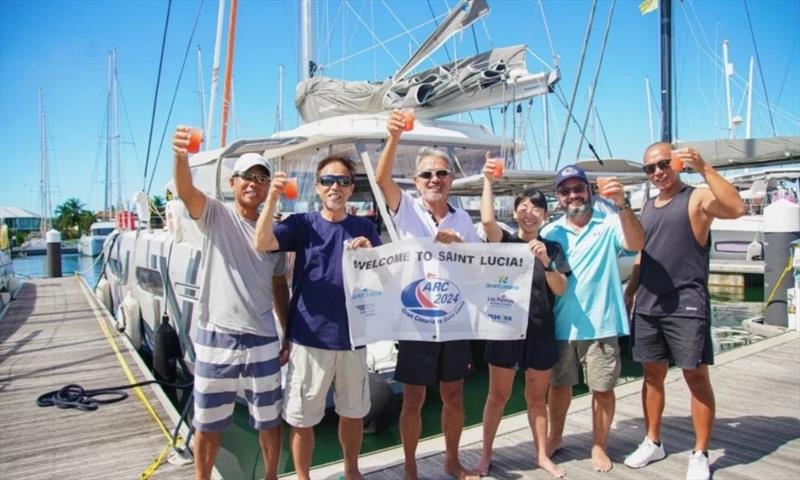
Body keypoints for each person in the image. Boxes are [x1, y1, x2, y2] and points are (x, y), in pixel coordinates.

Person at [171, 126, 289, 480]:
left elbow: (279, 284)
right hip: (216, 335)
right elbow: (185, 190)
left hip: (263, 336)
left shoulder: (275, 231)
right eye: (247, 177)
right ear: (233, 183)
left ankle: (270, 475)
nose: (254, 183)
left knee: (269, 420)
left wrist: (288, 331)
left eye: (261, 178)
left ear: (269, 188)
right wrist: (181, 156)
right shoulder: (216, 215)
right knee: (207, 422)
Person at [253, 155, 381, 480]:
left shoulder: (365, 226)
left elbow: (384, 276)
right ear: (318, 186)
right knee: (301, 418)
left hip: (354, 339)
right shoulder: (301, 224)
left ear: (351, 188)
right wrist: (271, 198)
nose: (334, 186)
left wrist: (371, 256)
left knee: (352, 414)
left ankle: (352, 471)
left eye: (341, 181)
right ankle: (303, 477)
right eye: (327, 180)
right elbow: (263, 241)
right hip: (309, 340)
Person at [623, 145, 745, 480]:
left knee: (696, 377)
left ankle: (700, 452)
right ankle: (653, 440)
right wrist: (631, 291)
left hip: (687, 305)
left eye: (663, 164)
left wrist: (704, 166)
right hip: (649, 305)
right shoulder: (647, 205)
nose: (658, 172)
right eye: (650, 168)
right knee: (651, 376)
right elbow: (641, 255)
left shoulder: (697, 197)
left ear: (676, 164)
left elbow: (736, 208)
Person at [375, 110, 482, 480]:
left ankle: (452, 461)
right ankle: (409, 468)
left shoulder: (464, 219)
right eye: (427, 174)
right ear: (416, 182)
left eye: (441, 173)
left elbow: (475, 272)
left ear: (451, 179)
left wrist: (460, 248)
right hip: (416, 318)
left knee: (454, 395)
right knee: (414, 398)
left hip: (454, 318)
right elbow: (380, 177)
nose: (434, 179)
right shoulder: (405, 209)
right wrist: (393, 137)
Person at [541, 164, 645, 473]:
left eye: (578, 188)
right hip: (561, 326)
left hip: (602, 324)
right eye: (565, 191)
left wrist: (623, 205)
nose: (573, 195)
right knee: (559, 388)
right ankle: (555, 437)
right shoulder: (550, 232)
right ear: (558, 197)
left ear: (589, 191)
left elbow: (637, 244)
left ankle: (599, 444)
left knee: (602, 389)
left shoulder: (611, 221)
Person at [473, 154, 570, 478]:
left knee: (536, 398)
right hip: (504, 330)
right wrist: (487, 180)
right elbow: (487, 223)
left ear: (545, 215)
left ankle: (542, 454)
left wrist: (546, 261)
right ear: (515, 212)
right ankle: (485, 455)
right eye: (524, 209)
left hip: (540, 331)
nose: (530, 215)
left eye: (536, 209)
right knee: (497, 396)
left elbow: (560, 289)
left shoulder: (553, 248)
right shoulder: (505, 241)